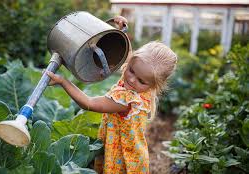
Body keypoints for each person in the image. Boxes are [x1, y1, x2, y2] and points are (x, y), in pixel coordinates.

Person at [46, 16, 177, 174]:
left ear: (155, 85)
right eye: (131, 70)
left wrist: (63, 81)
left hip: (121, 159)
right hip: (133, 155)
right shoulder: (145, 85)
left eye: (141, 80)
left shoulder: (126, 100)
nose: (131, 79)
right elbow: (128, 54)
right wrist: (121, 30)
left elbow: (89, 103)